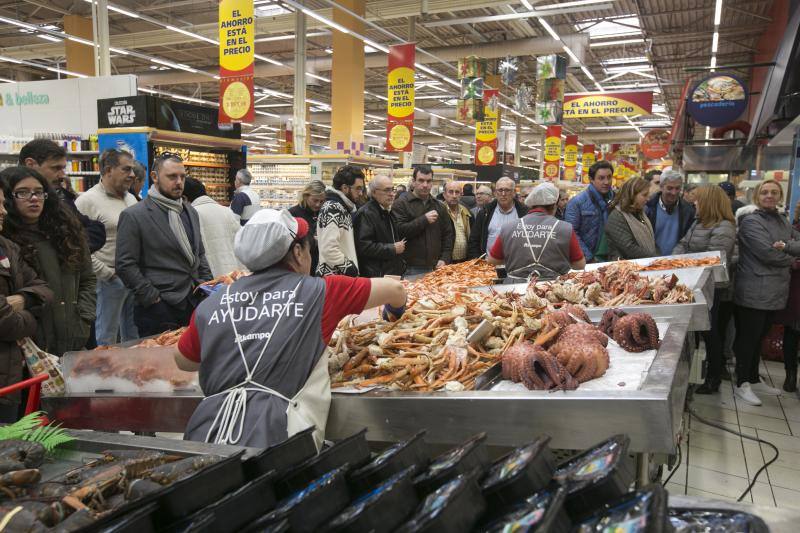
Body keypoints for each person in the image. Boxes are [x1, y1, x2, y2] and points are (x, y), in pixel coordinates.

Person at [174, 209, 407, 449]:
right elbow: (396, 290)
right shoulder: (321, 291)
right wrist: (394, 313)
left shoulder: (214, 302)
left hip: (210, 435)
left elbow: (183, 361)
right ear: (297, 253)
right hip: (282, 438)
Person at [0, 167, 95, 356]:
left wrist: (84, 317)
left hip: (74, 335)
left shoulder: (67, 231)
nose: (33, 198)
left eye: (38, 192)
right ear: (8, 198)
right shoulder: (7, 244)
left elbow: (87, 279)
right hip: (31, 342)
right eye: (22, 193)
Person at [116, 153, 212, 337]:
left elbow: (199, 254)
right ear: (154, 177)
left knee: (192, 362)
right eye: (172, 177)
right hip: (158, 307)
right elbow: (125, 264)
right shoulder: (135, 215)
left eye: (182, 177)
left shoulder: (190, 211)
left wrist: (206, 287)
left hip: (194, 301)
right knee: (159, 362)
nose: (179, 182)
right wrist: (153, 298)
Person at [733, 180, 800, 406]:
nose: (769, 195)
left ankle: (753, 377)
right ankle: (741, 382)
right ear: (757, 197)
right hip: (753, 290)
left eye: (774, 192)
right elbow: (766, 253)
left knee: (760, 337)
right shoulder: (751, 221)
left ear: (780, 195)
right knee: (748, 339)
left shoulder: (782, 220)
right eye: (764, 192)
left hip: (776, 291)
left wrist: (785, 247)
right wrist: (791, 256)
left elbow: (795, 243)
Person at [671, 185, 736, 394]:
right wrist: (672, 261)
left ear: (709, 202)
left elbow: (714, 258)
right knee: (696, 333)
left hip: (710, 288)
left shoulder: (724, 226)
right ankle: (694, 375)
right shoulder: (699, 222)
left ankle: (713, 378)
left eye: (698, 200)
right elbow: (683, 244)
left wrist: (683, 264)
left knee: (710, 332)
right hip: (691, 283)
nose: (694, 203)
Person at [75, 148, 140, 346]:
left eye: (133, 170)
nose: (132, 175)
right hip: (107, 281)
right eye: (126, 169)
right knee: (106, 339)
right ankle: (104, 376)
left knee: (133, 336)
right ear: (108, 170)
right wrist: (108, 274)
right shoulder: (87, 201)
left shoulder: (130, 198)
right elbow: (77, 247)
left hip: (133, 278)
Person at [0, 186, 52, 421]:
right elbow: (5, 323)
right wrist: (31, 316)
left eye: (3, 204)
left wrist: (23, 299)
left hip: (12, 373)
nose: (3, 212)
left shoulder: (8, 247)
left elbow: (44, 290)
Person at [19, 139, 106, 254]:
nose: (62, 175)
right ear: (30, 165)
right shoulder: (8, 201)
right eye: (56, 168)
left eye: (63, 168)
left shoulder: (59, 196)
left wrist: (65, 244)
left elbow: (96, 230)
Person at [487, 182, 585, 283]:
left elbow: (492, 260)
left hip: (513, 289)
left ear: (531, 205)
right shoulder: (566, 228)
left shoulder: (508, 227)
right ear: (555, 205)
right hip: (552, 290)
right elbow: (579, 265)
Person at [393, 165, 454, 275]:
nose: (425, 185)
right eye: (421, 180)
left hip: (437, 267)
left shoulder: (439, 206)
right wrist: (423, 220)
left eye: (428, 181)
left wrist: (445, 258)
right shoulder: (401, 204)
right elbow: (399, 231)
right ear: (413, 181)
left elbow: (448, 235)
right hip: (410, 268)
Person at [183, 177, 242, 278]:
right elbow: (240, 243)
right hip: (232, 274)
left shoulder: (191, 215)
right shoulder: (227, 211)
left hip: (210, 277)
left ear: (184, 198)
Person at [353, 175, 405, 278]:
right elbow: (364, 246)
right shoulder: (366, 213)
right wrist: (392, 248)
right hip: (376, 276)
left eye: (392, 190)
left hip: (389, 273)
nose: (391, 194)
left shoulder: (387, 211)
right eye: (386, 190)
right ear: (374, 192)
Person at [316, 165, 364, 277]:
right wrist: (349, 268)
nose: (361, 193)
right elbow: (329, 249)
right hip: (335, 279)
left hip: (339, 278)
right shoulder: (333, 208)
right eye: (358, 188)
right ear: (345, 188)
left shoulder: (342, 207)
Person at [565, 160, 615, 262]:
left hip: (613, 258)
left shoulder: (617, 199)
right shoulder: (577, 202)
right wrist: (589, 257)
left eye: (609, 177)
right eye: (601, 178)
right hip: (588, 260)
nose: (606, 182)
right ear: (591, 179)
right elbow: (571, 232)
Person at [468, 178, 527, 259]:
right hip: (489, 267)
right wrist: (478, 261)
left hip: (516, 267)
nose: (503, 194)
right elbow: (474, 240)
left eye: (507, 190)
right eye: (500, 190)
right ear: (495, 193)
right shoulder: (485, 213)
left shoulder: (525, 213)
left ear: (514, 193)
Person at [604, 178, 657, 261]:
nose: (648, 199)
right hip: (624, 268)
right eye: (644, 195)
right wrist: (653, 257)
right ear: (632, 195)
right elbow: (628, 247)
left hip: (642, 263)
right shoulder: (617, 216)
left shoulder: (640, 213)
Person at [645, 169, 695, 256]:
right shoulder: (647, 207)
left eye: (677, 188)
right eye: (670, 188)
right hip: (651, 260)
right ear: (661, 187)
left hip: (678, 262)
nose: (674, 192)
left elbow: (688, 240)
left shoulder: (688, 211)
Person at [289, 180, 326, 277]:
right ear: (306, 196)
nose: (318, 204)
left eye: (321, 201)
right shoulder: (293, 214)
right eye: (315, 200)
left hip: (320, 264)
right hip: (302, 265)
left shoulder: (323, 212)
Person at [442, 181, 473, 263]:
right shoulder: (439, 212)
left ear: (461, 194)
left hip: (465, 261)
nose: (454, 196)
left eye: (457, 192)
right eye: (451, 192)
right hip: (445, 261)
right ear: (444, 195)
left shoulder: (467, 212)